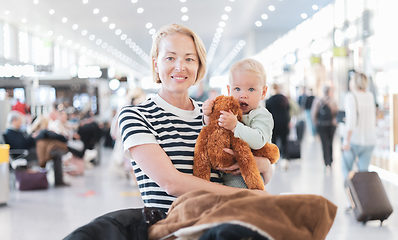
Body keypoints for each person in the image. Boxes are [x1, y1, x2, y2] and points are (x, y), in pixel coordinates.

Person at [64, 23, 272, 240]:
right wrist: (246, 197)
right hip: (174, 229)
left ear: (199, 65)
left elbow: (259, 165)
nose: (180, 67)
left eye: (189, 59)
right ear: (156, 64)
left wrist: (264, 166)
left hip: (226, 223)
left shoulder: (214, 113)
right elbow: (171, 182)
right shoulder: (136, 115)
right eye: (170, 58)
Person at [202, 58, 274, 187]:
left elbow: (258, 141)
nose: (243, 95)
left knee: (240, 199)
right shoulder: (229, 109)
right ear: (229, 90)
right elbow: (212, 129)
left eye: (251, 89)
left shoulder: (261, 115)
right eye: (237, 89)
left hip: (245, 176)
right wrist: (207, 115)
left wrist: (235, 126)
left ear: (263, 93)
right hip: (225, 170)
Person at [341, 72, 376, 179]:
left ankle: (351, 195)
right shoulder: (369, 95)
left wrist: (346, 140)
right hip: (369, 140)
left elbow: (351, 120)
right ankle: (362, 195)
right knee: (363, 175)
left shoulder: (351, 96)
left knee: (346, 171)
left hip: (354, 140)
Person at [311, 86, 338, 171]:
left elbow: (313, 114)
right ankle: (330, 161)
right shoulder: (333, 101)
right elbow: (336, 113)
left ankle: (325, 163)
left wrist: (316, 123)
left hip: (321, 125)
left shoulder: (318, 101)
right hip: (331, 125)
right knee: (330, 143)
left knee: (324, 144)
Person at [266, 84, 290, 170]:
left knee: (274, 142)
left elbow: (267, 114)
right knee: (284, 142)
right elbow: (288, 111)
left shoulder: (269, 100)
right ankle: (285, 161)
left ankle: (274, 162)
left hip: (273, 124)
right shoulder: (284, 99)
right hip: (284, 123)